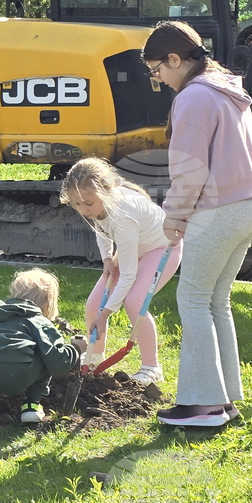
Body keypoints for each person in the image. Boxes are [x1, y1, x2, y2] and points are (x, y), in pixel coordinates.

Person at [142, 21, 252, 427]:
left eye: (157, 68)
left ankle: (203, 405)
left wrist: (173, 217)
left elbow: (190, 170)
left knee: (193, 301)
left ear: (175, 59)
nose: (157, 77)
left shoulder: (194, 97)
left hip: (218, 210)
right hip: (249, 206)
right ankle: (225, 399)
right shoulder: (227, 89)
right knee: (215, 302)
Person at [59, 157, 182, 384]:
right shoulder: (99, 207)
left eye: (88, 203)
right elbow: (100, 227)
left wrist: (106, 315)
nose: (83, 210)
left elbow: (128, 275)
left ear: (106, 192)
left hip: (161, 249)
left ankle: (152, 367)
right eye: (77, 204)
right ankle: (94, 354)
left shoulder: (123, 214)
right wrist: (106, 258)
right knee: (93, 304)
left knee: (134, 301)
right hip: (132, 247)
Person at [0, 268, 86, 428]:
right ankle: (31, 407)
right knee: (44, 354)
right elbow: (58, 363)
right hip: (19, 376)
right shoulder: (38, 321)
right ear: (48, 303)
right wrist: (75, 349)